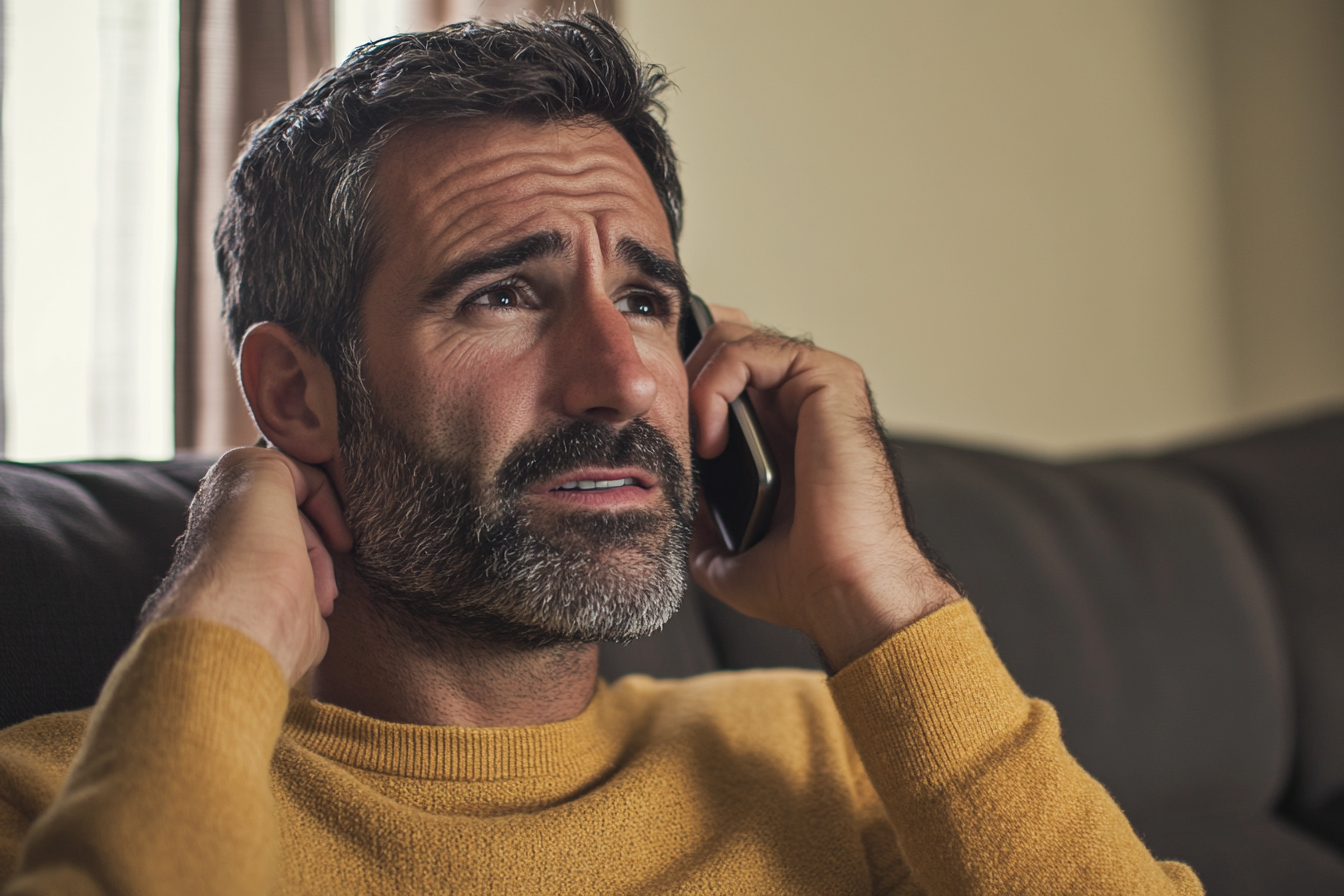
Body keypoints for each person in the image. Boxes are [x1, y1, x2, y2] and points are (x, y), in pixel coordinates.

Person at [0, 14, 1202, 895]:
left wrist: (882, 600)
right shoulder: (63, 799)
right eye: (505, 294)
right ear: (295, 394)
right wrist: (216, 635)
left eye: (643, 303)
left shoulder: (830, 755)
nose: (628, 378)